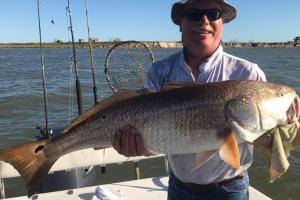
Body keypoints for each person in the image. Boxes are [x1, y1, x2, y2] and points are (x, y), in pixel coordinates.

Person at [113, 0, 300, 199]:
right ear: (180, 24)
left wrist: (285, 122)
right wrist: (139, 146)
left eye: (213, 13)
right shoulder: (160, 72)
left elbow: (262, 134)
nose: (204, 20)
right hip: (178, 188)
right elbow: (158, 138)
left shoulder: (248, 72)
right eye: (194, 14)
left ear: (222, 22)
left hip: (230, 190)